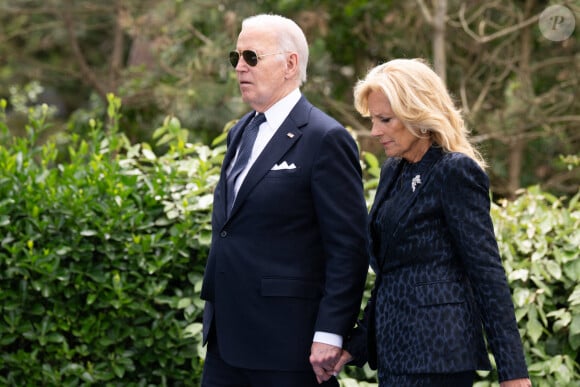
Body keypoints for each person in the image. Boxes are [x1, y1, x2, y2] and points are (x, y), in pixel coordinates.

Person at [331, 58, 531, 387]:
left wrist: (513, 373)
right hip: (396, 354)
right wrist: (355, 347)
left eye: (385, 119)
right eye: (373, 120)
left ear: (418, 115)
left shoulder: (454, 171)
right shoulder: (392, 170)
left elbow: (487, 274)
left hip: (439, 358)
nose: (375, 131)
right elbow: (390, 275)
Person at [199, 14, 369, 387]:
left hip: (288, 344)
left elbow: (349, 247)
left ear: (290, 64)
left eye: (251, 57)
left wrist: (331, 330)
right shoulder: (241, 131)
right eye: (236, 58)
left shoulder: (325, 137)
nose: (240, 67)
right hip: (225, 342)